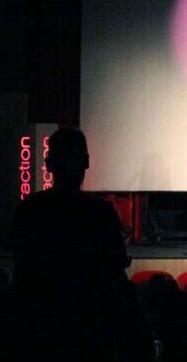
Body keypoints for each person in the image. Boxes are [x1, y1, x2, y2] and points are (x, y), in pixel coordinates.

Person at [11, 127, 130, 314]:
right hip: (91, 317)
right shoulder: (101, 212)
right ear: (86, 162)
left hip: (39, 316)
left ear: (48, 164)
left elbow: (23, 267)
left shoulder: (28, 209)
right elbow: (115, 266)